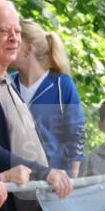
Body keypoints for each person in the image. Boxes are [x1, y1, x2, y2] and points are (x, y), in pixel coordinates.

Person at [0, 0, 72, 211]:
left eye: (18, 32)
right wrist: (44, 173)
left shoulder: (9, 82)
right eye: (4, 31)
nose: (14, 38)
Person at [11, 20, 86, 178]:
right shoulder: (7, 84)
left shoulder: (61, 84)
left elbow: (77, 131)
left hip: (56, 181)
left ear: (29, 49)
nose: (9, 44)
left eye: (16, 40)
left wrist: (73, 176)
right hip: (17, 180)